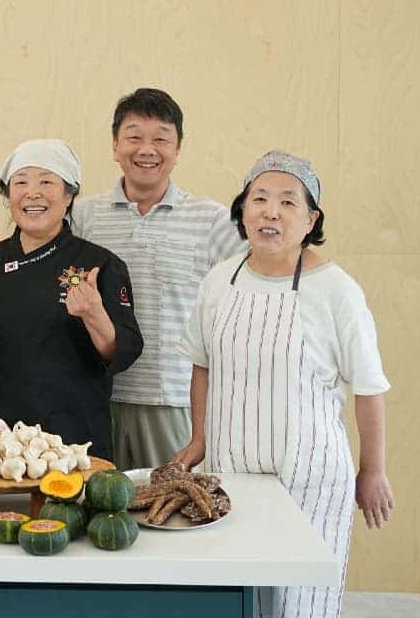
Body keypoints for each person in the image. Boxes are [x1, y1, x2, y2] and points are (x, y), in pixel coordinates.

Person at [174, 150, 393, 618]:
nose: (271, 212)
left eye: (288, 202)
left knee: (301, 605)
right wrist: (199, 438)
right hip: (232, 473)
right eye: (259, 199)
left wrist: (372, 471)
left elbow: (369, 388)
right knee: (238, 599)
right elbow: (201, 364)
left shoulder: (337, 290)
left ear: (311, 219)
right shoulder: (219, 281)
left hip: (310, 479)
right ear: (243, 210)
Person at [72, 88, 245, 469]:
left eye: (161, 139)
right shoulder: (83, 217)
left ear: (178, 149)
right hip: (98, 397)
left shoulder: (212, 221)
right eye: (134, 137)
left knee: (171, 510)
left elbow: (246, 301)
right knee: (97, 515)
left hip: (175, 401)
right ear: (115, 146)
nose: (146, 149)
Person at [0, 139, 143, 461]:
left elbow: (124, 353)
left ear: (69, 194)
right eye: (21, 183)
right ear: (8, 196)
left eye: (47, 182)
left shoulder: (99, 264)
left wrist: (94, 314)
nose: (33, 193)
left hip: (73, 442)